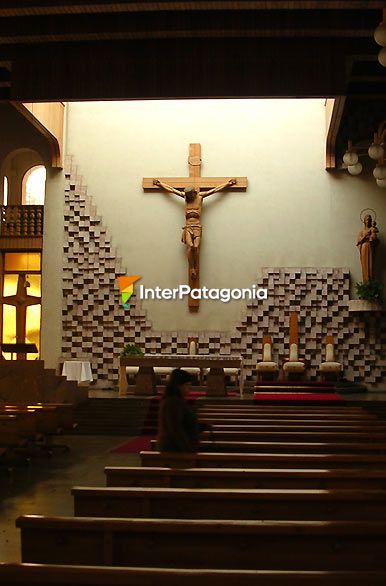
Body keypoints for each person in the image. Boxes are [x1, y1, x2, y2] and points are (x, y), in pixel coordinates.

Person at [153, 178, 236, 279]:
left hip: (197, 226)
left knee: (196, 247)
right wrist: (160, 184)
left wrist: (227, 184)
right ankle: (192, 268)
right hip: (188, 227)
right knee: (190, 246)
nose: (189, 197)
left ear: (194, 193)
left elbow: (215, 190)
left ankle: (195, 267)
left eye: (190, 195)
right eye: (187, 195)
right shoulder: (185, 198)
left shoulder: (200, 197)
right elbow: (172, 190)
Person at [157, 368, 207, 452]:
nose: (190, 388)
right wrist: (188, 449)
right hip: (176, 450)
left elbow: (184, 423)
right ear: (178, 386)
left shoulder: (176, 400)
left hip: (178, 447)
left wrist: (200, 426)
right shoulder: (172, 403)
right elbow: (175, 429)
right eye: (187, 385)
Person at [356, 214, 379, 282]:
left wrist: (372, 238)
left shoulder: (372, 230)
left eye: (370, 220)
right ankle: (365, 283)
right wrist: (365, 236)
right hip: (364, 248)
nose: (368, 221)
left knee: (371, 266)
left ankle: (371, 282)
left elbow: (376, 241)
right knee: (365, 266)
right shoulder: (361, 231)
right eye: (367, 220)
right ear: (364, 221)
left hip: (371, 248)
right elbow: (359, 241)